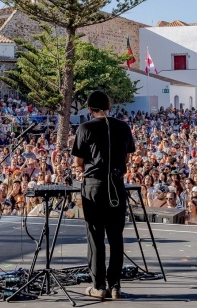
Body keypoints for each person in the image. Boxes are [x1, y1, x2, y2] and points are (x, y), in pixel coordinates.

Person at [72, 91, 135, 300]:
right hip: (116, 186)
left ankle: (98, 286)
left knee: (95, 236)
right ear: (109, 106)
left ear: (90, 109)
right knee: (116, 237)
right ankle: (115, 286)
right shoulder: (124, 126)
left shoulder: (85, 128)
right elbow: (127, 156)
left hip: (94, 187)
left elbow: (78, 163)